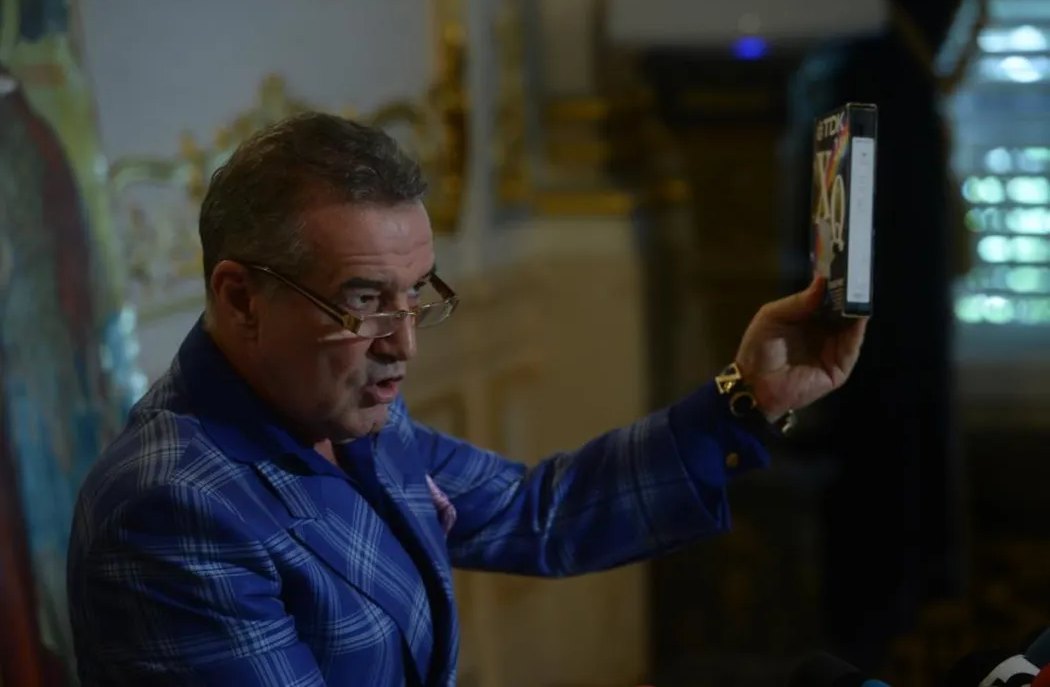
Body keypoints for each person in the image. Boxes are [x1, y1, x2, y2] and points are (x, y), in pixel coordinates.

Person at [68, 112, 866, 687]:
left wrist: (746, 397)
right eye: (364, 301)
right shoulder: (171, 511)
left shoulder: (342, 406)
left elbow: (536, 513)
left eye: (416, 294)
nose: (404, 345)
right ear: (241, 298)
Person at [778, 0, 971, 671]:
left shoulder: (886, 74)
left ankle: (887, 609)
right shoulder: (866, 67)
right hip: (867, 141)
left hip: (878, 152)